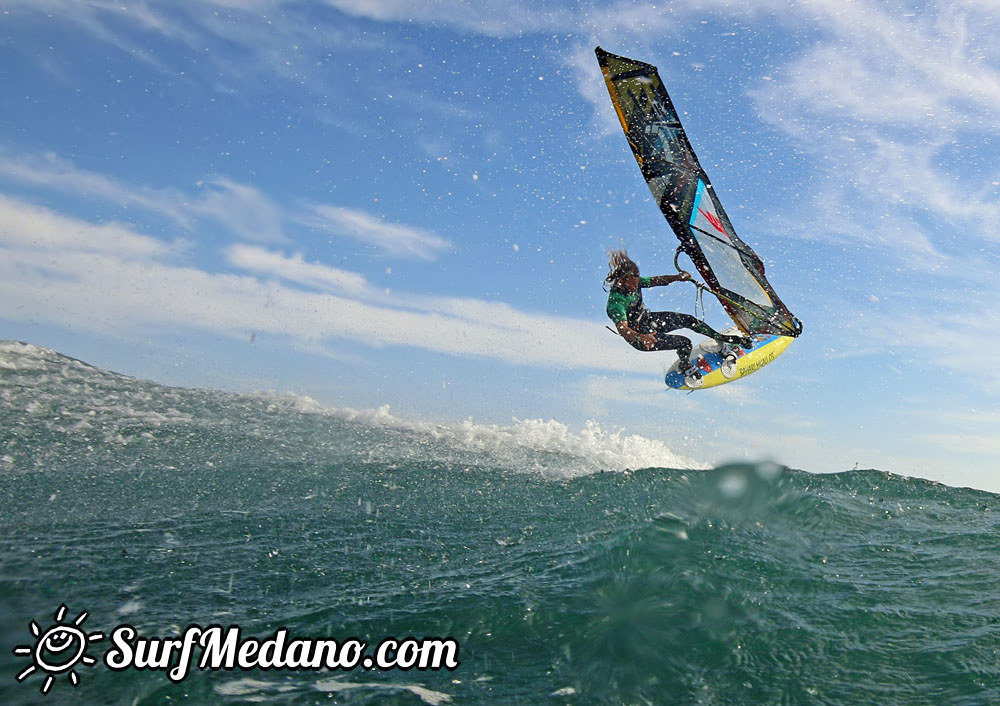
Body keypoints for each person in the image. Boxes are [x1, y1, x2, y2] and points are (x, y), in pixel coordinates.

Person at [605, 248, 751, 380]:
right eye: (632, 283)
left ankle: (721, 337)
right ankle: (685, 365)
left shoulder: (635, 281)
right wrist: (641, 337)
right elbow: (623, 330)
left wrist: (677, 277)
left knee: (689, 320)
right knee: (685, 343)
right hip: (641, 339)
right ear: (621, 280)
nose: (635, 285)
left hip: (648, 321)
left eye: (637, 281)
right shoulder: (616, 302)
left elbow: (656, 280)